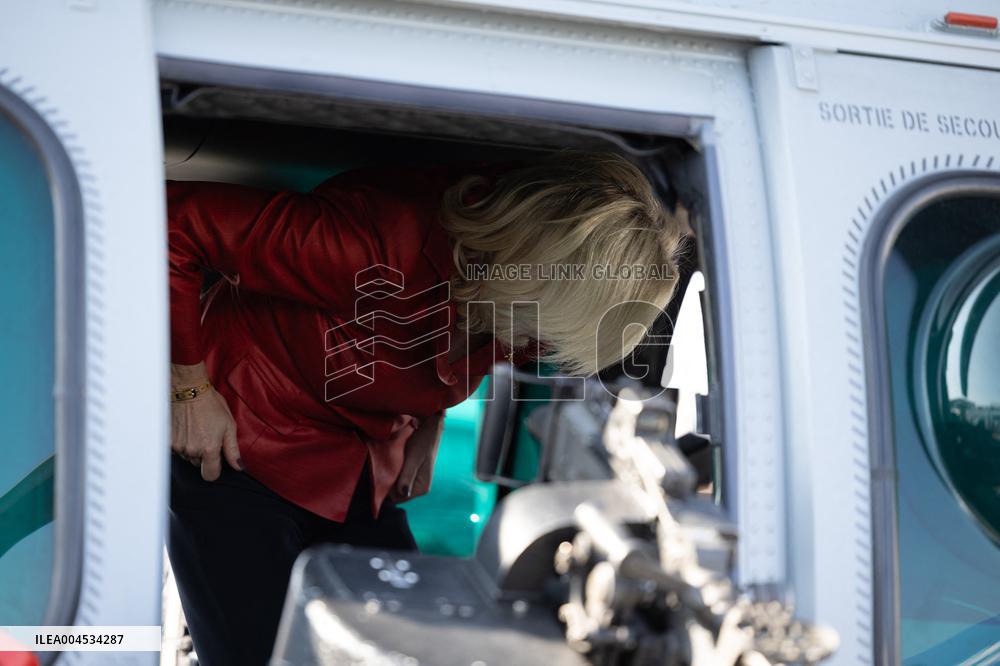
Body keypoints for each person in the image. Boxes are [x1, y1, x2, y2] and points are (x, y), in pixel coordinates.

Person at [165, 149, 686, 665]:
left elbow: (473, 338)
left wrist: (428, 415)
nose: (540, 350)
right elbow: (173, 225)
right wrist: (189, 387)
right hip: (237, 444)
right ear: (526, 279)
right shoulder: (374, 244)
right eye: (544, 334)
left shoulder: (521, 305)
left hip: (355, 464)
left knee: (411, 641)